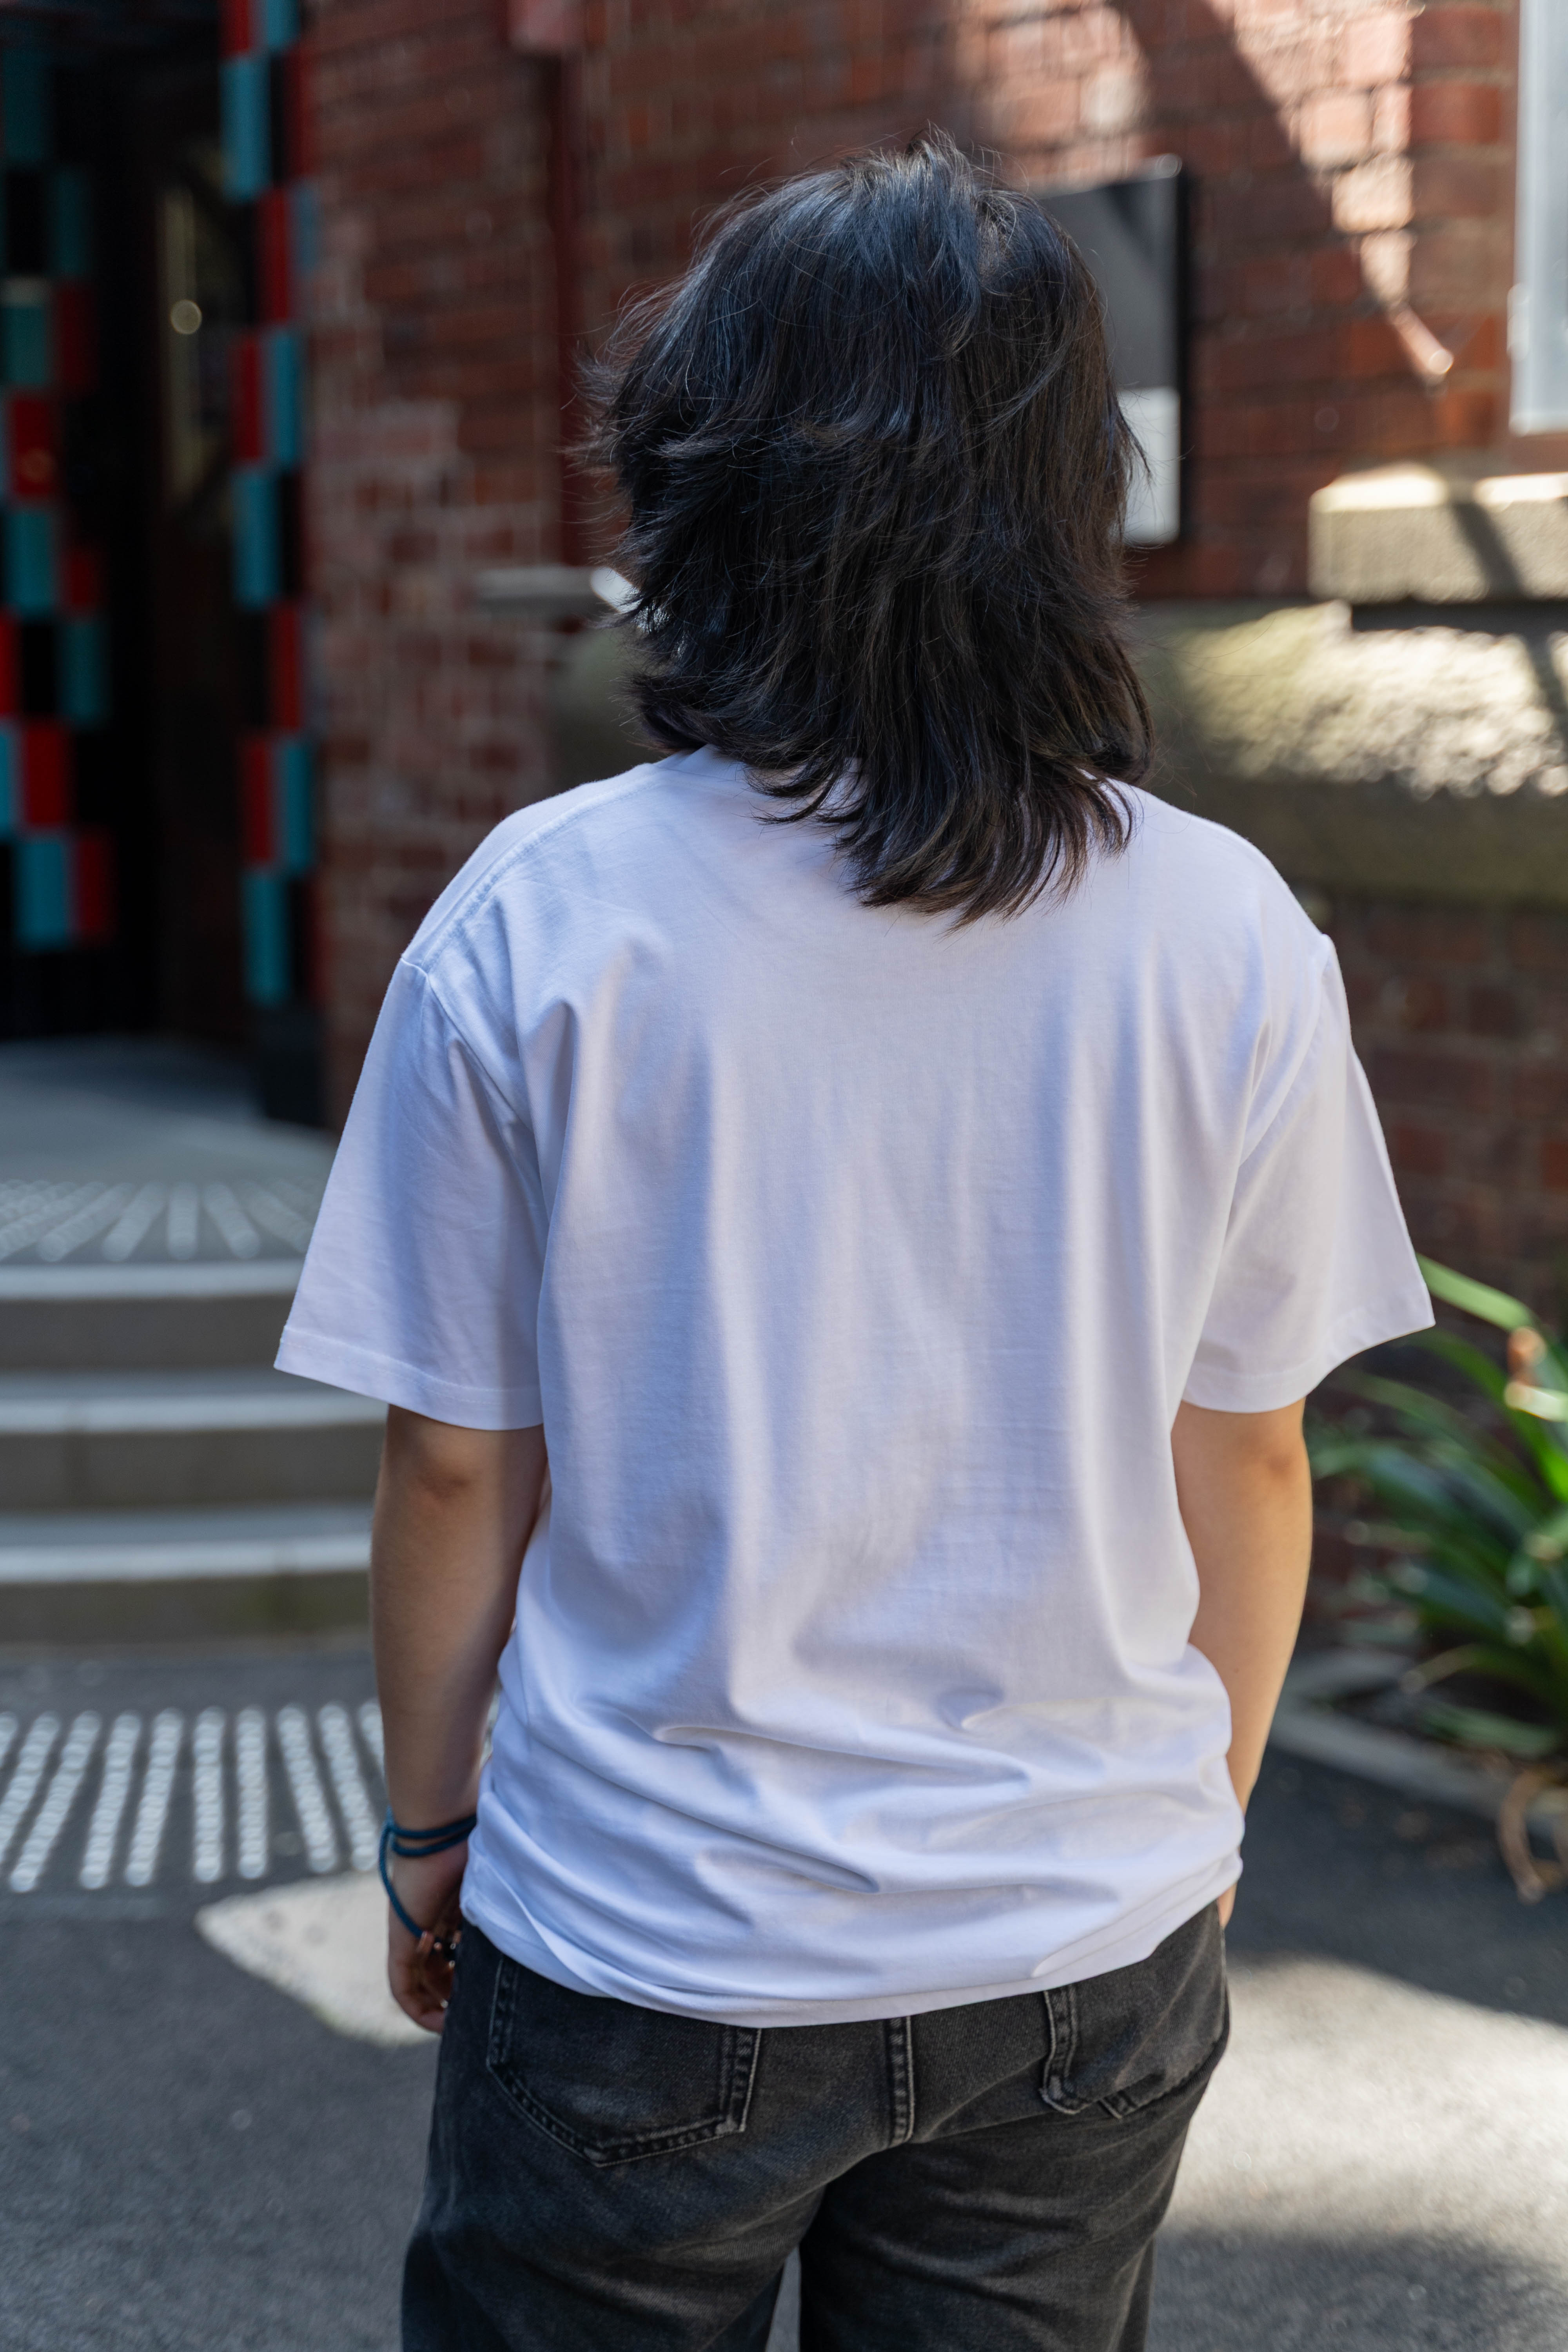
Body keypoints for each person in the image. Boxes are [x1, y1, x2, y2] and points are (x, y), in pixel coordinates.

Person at [278, 132, 1430, 2352]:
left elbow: (453, 1464)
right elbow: (1251, 1454)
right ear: (1067, 499)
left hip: (647, 1939)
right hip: (1083, 1943)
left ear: (704, 482)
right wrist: (1184, 1829)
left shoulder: (543, 916)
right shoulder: (1226, 933)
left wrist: (430, 1839)